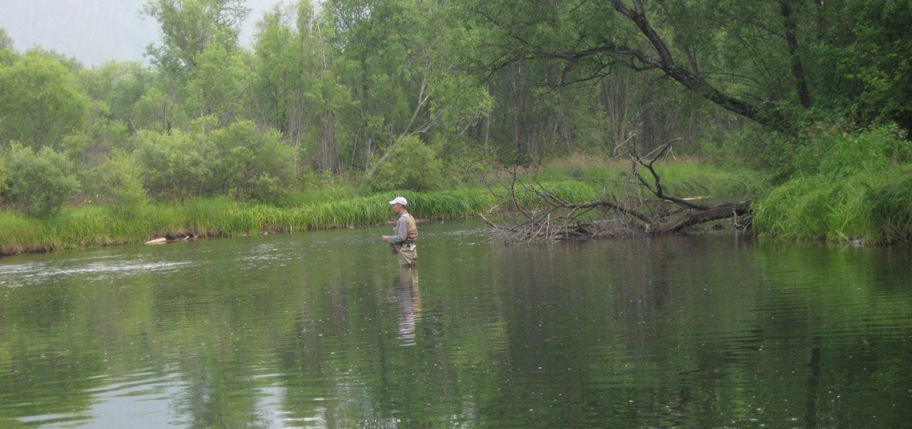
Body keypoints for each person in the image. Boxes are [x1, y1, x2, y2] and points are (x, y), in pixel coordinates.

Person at [381, 196, 418, 268]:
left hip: (406, 251)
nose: (393, 207)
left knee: (406, 275)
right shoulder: (409, 216)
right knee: (412, 274)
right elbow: (408, 233)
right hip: (412, 249)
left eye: (394, 205)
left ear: (400, 205)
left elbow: (401, 238)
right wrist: (397, 230)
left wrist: (387, 238)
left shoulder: (402, 219)